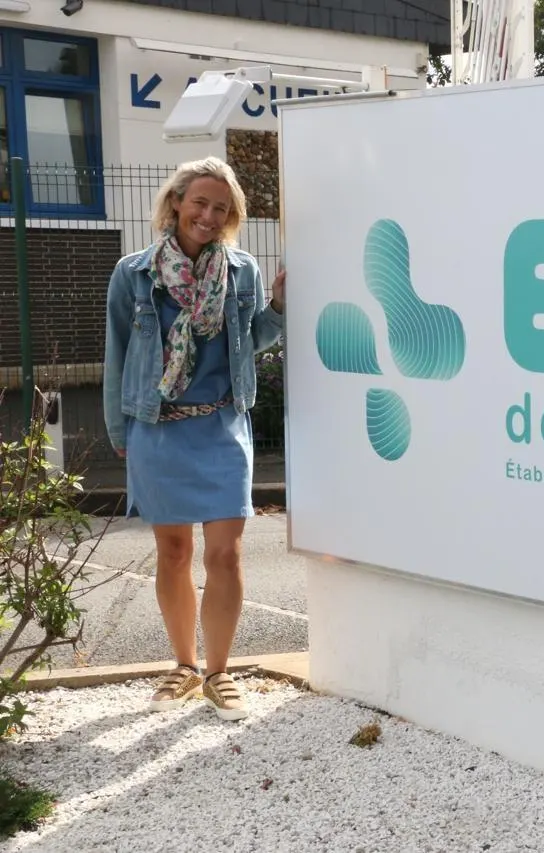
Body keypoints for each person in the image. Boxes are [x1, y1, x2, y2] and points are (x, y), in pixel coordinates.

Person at [103, 156, 285, 721]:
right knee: (174, 552)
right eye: (200, 202)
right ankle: (183, 666)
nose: (208, 215)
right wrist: (118, 430)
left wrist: (279, 308)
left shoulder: (242, 272)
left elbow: (252, 339)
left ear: (231, 216)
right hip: (157, 428)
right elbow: (116, 354)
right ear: (177, 202)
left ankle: (218, 673)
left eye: (221, 208)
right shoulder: (134, 273)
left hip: (222, 424)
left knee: (226, 553)